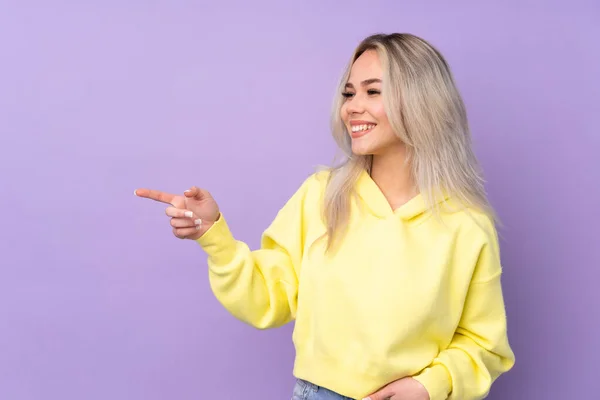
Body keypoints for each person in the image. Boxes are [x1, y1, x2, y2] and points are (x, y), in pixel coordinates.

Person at [135, 33, 515, 400]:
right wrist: (214, 237)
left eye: (373, 91)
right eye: (349, 93)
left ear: (422, 101)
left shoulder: (466, 224)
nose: (351, 106)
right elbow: (266, 298)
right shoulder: (321, 196)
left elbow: (485, 345)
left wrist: (430, 387)